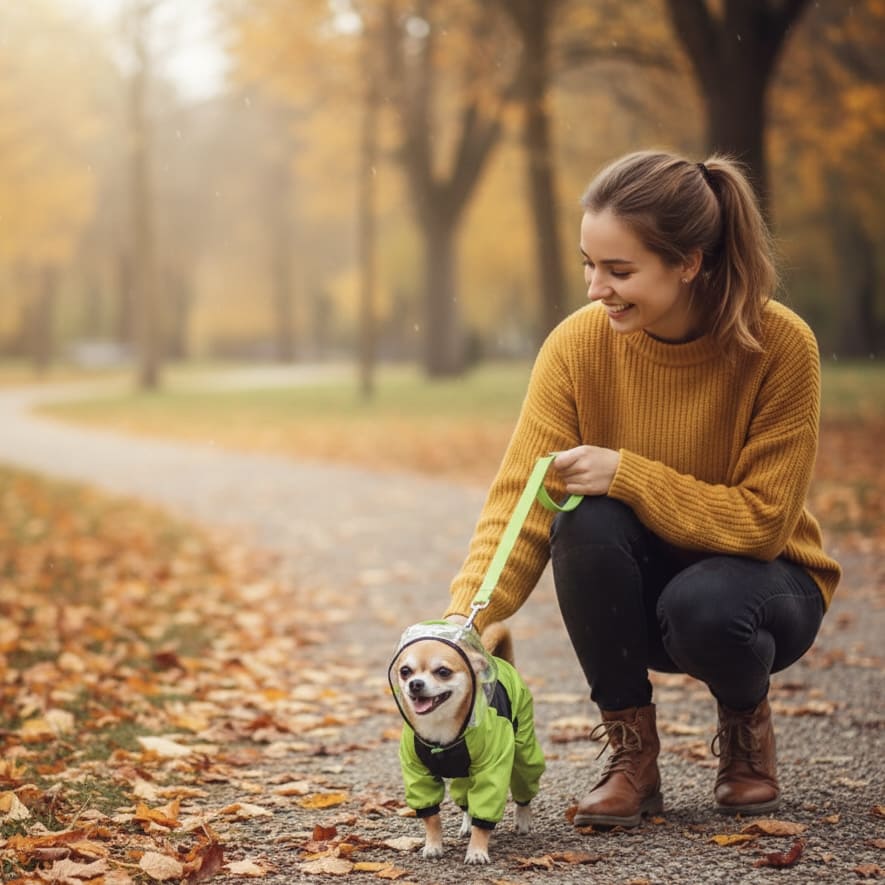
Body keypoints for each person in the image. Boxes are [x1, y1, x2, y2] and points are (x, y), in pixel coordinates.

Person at [443, 150, 841, 828]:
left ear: (687, 262)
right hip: (640, 594)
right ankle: (632, 755)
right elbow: (521, 494)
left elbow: (764, 521)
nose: (596, 288)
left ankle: (745, 729)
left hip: (765, 587)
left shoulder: (780, 344)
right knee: (581, 517)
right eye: (587, 265)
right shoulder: (576, 346)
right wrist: (464, 622)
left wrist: (629, 473)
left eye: (618, 270)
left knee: (704, 604)